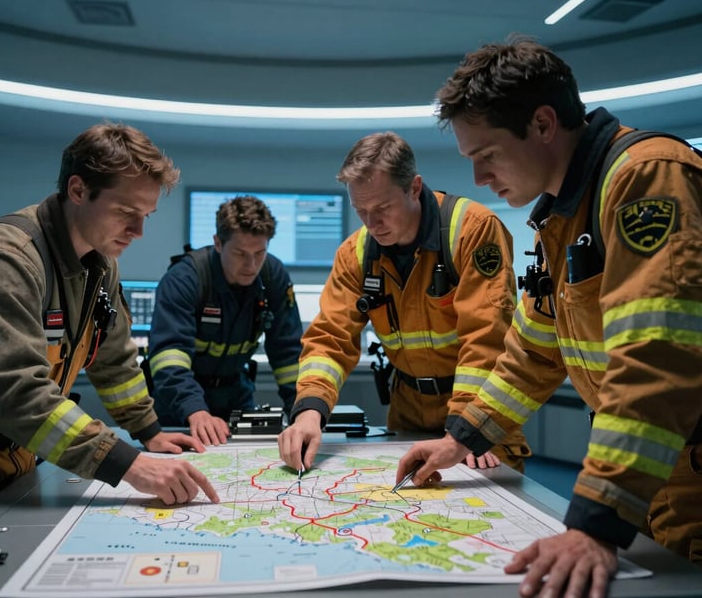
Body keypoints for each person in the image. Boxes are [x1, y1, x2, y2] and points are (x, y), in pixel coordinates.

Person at [397, 37, 702, 598]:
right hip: (649, 477)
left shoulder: (646, 177)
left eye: (486, 155)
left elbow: (656, 356)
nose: (480, 180)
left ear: (542, 124)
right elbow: (534, 353)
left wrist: (593, 522)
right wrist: (460, 440)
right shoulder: (561, 217)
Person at [0, 122, 220, 533]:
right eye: (125, 213)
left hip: (19, 455)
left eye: (146, 216)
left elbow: (115, 359)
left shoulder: (101, 263)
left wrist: (149, 431)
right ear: (78, 190)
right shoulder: (3, 258)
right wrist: (129, 463)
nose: (138, 232)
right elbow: (16, 394)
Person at [279, 131, 530, 475]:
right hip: (408, 412)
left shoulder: (472, 230)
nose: (372, 223)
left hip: (478, 414)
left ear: (414, 187)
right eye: (361, 210)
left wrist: (464, 433)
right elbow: (330, 340)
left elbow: (485, 340)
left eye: (382, 208)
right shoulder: (355, 254)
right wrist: (310, 411)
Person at [148, 195, 303, 446]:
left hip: (236, 398)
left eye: (260, 253)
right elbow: (169, 356)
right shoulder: (185, 279)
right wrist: (195, 411)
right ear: (218, 243)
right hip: (179, 406)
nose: (251, 265)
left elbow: (288, 356)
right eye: (241, 253)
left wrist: (302, 413)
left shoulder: (273, 276)